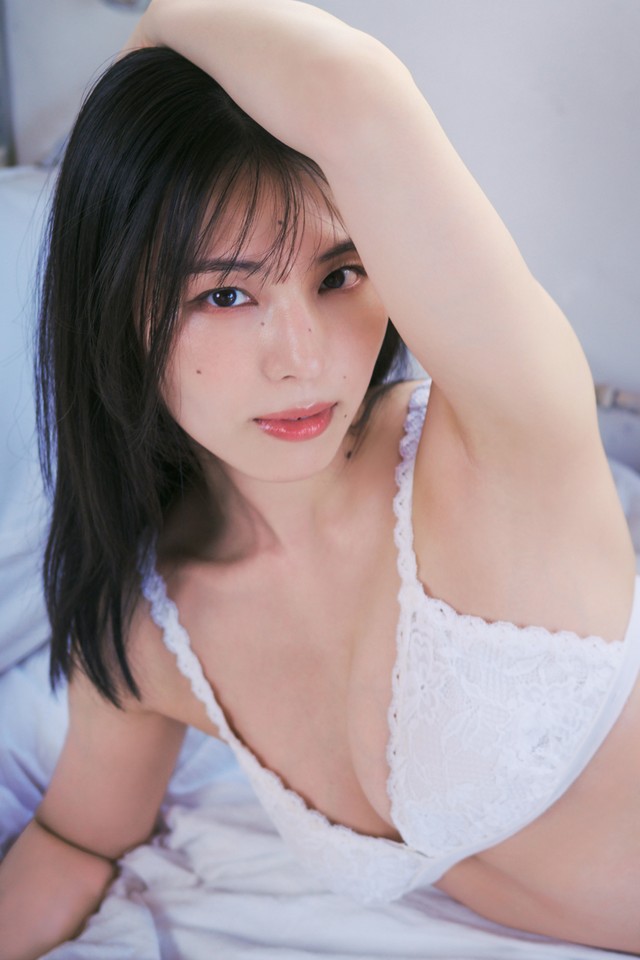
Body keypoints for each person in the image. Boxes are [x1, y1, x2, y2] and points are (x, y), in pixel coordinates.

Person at [1, 1, 639, 956]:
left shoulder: (503, 440)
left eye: (339, 276)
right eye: (225, 294)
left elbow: (355, 93)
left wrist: (161, 24)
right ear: (117, 312)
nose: (303, 359)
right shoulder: (150, 626)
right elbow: (74, 839)